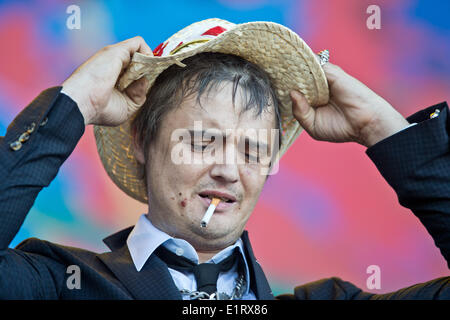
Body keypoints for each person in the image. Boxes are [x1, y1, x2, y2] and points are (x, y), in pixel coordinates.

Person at [0, 19, 448, 300]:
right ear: (142, 139)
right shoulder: (60, 283)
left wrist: (383, 131)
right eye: (201, 141)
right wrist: (73, 104)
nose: (229, 169)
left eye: (253, 149)